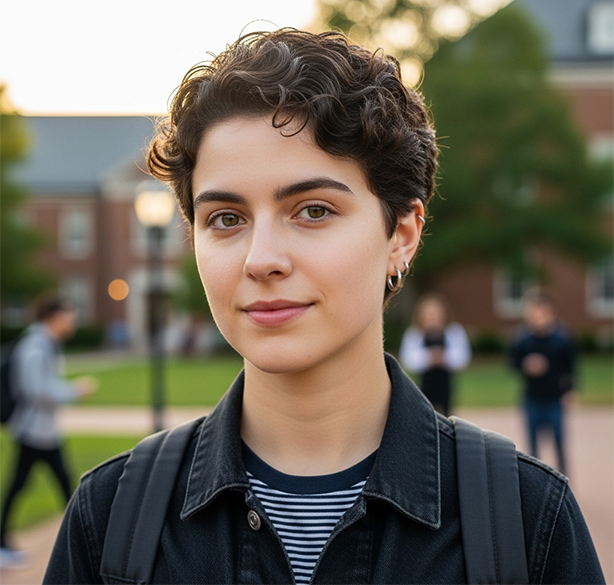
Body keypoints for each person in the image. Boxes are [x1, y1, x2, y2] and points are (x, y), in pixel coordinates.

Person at [44, 29, 604, 584]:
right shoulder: (110, 519)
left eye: (312, 210)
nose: (261, 259)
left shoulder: (526, 522)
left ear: (401, 235)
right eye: (226, 219)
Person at [0, 298, 96, 569]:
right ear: (53, 317)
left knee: (47, 485)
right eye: (68, 317)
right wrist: (76, 390)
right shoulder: (36, 346)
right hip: (34, 431)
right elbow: (37, 390)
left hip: (41, 431)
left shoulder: (43, 344)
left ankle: (85, 543)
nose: (72, 322)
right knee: (49, 485)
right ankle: (87, 545)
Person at [510, 289, 576, 476]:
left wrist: (569, 391)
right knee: (532, 445)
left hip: (554, 398)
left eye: (543, 313)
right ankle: (535, 481)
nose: (539, 317)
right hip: (532, 398)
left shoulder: (561, 339)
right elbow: (512, 362)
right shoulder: (523, 339)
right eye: (535, 313)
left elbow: (570, 367)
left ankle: (564, 478)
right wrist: (526, 365)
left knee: (559, 442)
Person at [399, 293, 471, 416]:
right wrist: (430, 357)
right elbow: (408, 360)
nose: (432, 317)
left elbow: (463, 357)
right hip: (424, 383)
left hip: (445, 382)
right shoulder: (415, 334)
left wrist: (444, 358)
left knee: (447, 414)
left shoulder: (453, 331)